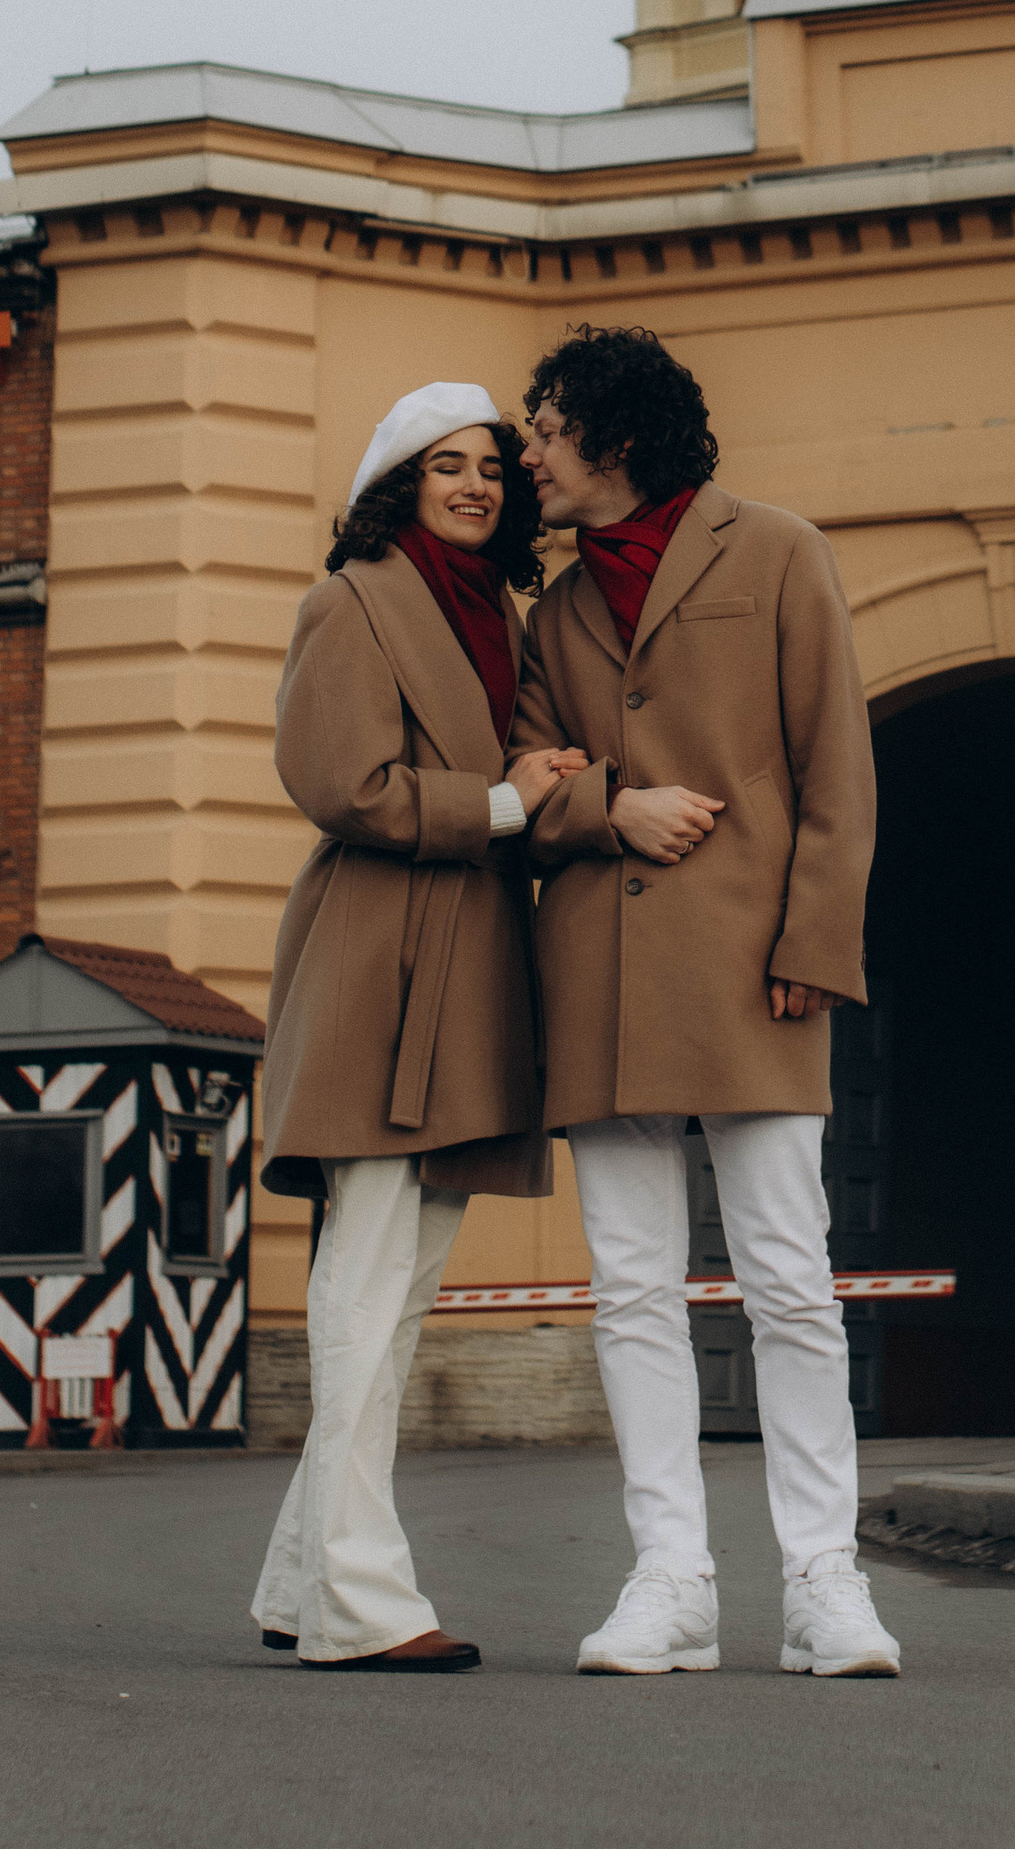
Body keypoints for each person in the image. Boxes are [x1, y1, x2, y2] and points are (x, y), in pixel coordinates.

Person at [520, 323, 900, 1679]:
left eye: (547, 429)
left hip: (757, 971)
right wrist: (605, 805)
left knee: (790, 1285)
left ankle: (824, 1585)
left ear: (614, 438)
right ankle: (669, 1581)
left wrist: (817, 940)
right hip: (601, 980)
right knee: (631, 1292)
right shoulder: (551, 611)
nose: (530, 454)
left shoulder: (779, 551)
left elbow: (834, 768)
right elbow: (521, 764)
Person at [251, 381, 585, 1671]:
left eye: (494, 466)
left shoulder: (499, 616)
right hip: (379, 965)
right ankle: (362, 1609)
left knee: (391, 1301)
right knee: (364, 1291)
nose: (477, 484)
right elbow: (339, 783)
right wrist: (502, 808)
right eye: (446, 464)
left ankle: (298, 1588)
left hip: (467, 977)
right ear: (398, 479)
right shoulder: (350, 602)